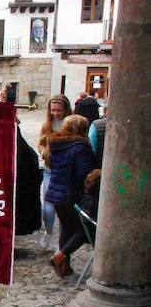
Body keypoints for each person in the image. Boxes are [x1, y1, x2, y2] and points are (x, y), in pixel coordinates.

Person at [46, 115, 97, 278]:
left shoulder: (56, 144)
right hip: (72, 194)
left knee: (66, 228)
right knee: (83, 231)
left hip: (56, 192)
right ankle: (60, 256)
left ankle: (64, 267)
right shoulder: (80, 147)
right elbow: (84, 173)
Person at [37, 95, 73, 250]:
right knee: (48, 207)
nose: (56, 113)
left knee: (64, 209)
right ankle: (49, 231)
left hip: (66, 172)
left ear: (65, 109)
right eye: (53, 110)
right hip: (49, 170)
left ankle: (62, 244)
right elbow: (40, 143)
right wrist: (45, 152)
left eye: (59, 110)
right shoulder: (47, 124)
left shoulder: (72, 124)